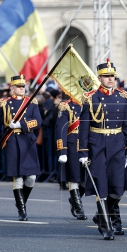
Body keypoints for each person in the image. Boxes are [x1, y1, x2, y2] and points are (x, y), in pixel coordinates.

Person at [78, 60, 127, 240]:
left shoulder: (123, 97)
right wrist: (83, 152)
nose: (111, 79)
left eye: (113, 76)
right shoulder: (90, 98)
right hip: (97, 144)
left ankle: (102, 215)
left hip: (117, 143)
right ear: (99, 77)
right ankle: (106, 225)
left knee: (117, 188)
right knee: (100, 184)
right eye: (107, 76)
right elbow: (84, 128)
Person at [0, 74, 42, 221]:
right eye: (19, 87)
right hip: (12, 141)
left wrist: (22, 125)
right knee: (18, 177)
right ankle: (22, 210)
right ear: (12, 88)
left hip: (28, 141)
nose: (22, 89)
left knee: (31, 178)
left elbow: (38, 121)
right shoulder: (4, 103)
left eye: (23, 86)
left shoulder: (31, 102)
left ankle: (21, 202)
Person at [56, 92, 87, 220]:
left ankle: (74, 198)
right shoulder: (65, 106)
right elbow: (61, 129)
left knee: (86, 179)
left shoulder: (89, 105)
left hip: (87, 145)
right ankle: (79, 207)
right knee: (74, 177)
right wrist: (62, 150)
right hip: (72, 144)